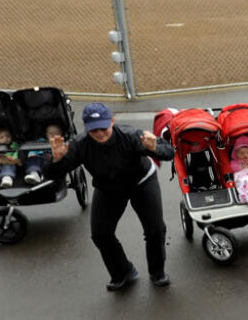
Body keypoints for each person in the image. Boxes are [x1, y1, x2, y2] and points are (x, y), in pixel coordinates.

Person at [44, 102, 175, 291]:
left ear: (112, 121)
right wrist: (56, 160)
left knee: (155, 229)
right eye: (93, 129)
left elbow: (168, 153)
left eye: (103, 127)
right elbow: (50, 174)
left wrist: (155, 148)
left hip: (141, 182)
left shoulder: (130, 136)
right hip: (108, 189)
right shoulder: (80, 145)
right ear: (86, 128)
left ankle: (157, 272)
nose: (99, 133)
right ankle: (123, 272)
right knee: (101, 234)